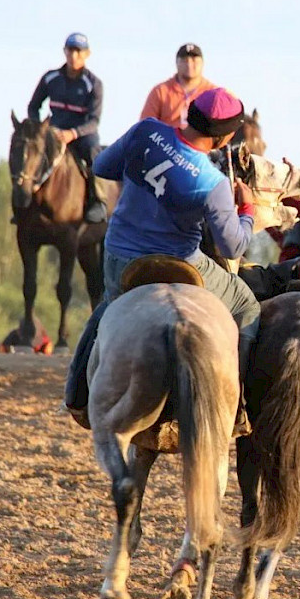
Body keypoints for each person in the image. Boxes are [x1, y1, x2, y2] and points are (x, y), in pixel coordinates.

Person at [64, 87, 259, 431]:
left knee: (109, 305)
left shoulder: (146, 131)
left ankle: (76, 393)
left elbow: (102, 166)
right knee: (246, 305)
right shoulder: (214, 183)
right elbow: (232, 247)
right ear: (226, 136)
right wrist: (247, 211)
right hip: (179, 263)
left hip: (121, 254)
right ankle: (240, 404)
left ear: (190, 112)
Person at [28, 32, 107, 223]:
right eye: (71, 50)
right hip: (53, 131)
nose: (74, 56)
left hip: (81, 133)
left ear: (87, 54)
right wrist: (40, 129)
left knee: (93, 154)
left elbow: (94, 120)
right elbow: (33, 106)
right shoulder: (50, 78)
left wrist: (73, 133)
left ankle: (99, 201)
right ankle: (25, 203)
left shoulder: (93, 84)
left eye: (79, 52)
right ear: (64, 51)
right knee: (29, 154)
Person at [140, 43, 216, 129]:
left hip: (201, 140)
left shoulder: (213, 93)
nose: (189, 65)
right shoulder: (161, 91)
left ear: (202, 63)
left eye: (194, 60)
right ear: (176, 63)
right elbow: (145, 126)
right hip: (168, 140)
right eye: (185, 61)